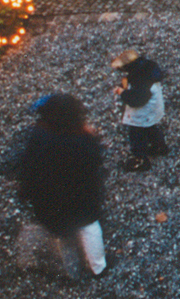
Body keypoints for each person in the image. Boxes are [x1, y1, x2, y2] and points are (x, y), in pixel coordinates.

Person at [7, 93, 107, 279]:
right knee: (89, 228)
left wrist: (26, 193)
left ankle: (71, 268)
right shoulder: (81, 140)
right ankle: (98, 268)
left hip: (50, 204)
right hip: (81, 200)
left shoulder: (39, 137)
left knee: (62, 233)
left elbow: (27, 169)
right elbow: (95, 162)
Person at [111, 49, 169, 172]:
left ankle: (140, 160)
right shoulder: (146, 70)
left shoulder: (140, 81)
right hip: (154, 110)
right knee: (151, 128)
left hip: (142, 113)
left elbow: (136, 100)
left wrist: (122, 92)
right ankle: (160, 147)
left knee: (136, 136)